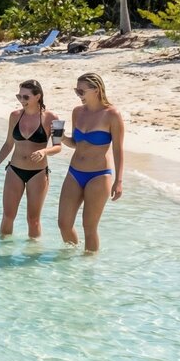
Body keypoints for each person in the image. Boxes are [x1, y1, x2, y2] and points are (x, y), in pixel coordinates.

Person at [57, 73, 125, 253]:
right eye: (76, 90)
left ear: (96, 89)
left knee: (89, 227)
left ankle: (89, 269)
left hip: (99, 175)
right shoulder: (77, 112)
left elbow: (118, 150)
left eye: (81, 91)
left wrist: (118, 181)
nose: (78, 94)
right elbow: (77, 143)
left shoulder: (112, 115)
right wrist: (63, 138)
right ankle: (71, 261)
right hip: (74, 172)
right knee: (63, 223)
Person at [0, 80, 62, 238]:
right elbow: (8, 144)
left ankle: (33, 259)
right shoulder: (14, 116)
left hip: (38, 173)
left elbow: (58, 147)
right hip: (15, 170)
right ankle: (3, 256)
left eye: (26, 97)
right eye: (19, 96)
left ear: (38, 96)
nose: (21, 100)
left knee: (33, 220)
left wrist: (44, 151)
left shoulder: (52, 118)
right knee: (8, 216)